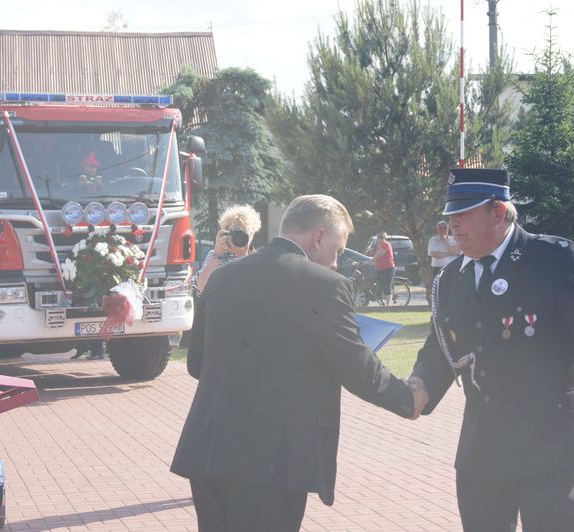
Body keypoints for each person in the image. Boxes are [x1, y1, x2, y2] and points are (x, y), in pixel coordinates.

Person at [407, 168, 574, 532]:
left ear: (498, 212)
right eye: (451, 216)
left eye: (464, 214)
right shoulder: (451, 278)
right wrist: (420, 384)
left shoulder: (554, 260)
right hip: (482, 445)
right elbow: (442, 345)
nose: (453, 225)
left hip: (548, 441)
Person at [171, 194, 427, 531]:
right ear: (319, 236)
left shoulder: (222, 277)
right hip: (271, 459)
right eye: (337, 250)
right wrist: (408, 399)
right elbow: (357, 366)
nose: (336, 263)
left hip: (209, 450)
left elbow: (197, 363)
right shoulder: (325, 285)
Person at [192, 204, 262, 295]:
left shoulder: (258, 258)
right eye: (235, 233)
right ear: (226, 233)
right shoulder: (216, 256)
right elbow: (202, 288)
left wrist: (242, 256)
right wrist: (217, 254)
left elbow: (254, 288)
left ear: (252, 235)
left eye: (243, 233)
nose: (239, 237)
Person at [373, 231, 395, 306]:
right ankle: (382, 301)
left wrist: (372, 259)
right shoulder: (378, 246)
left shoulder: (386, 244)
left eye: (379, 237)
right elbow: (376, 256)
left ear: (382, 238)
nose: (378, 239)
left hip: (388, 268)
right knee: (381, 285)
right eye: (378, 237)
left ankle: (388, 305)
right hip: (380, 269)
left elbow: (379, 255)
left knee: (387, 286)